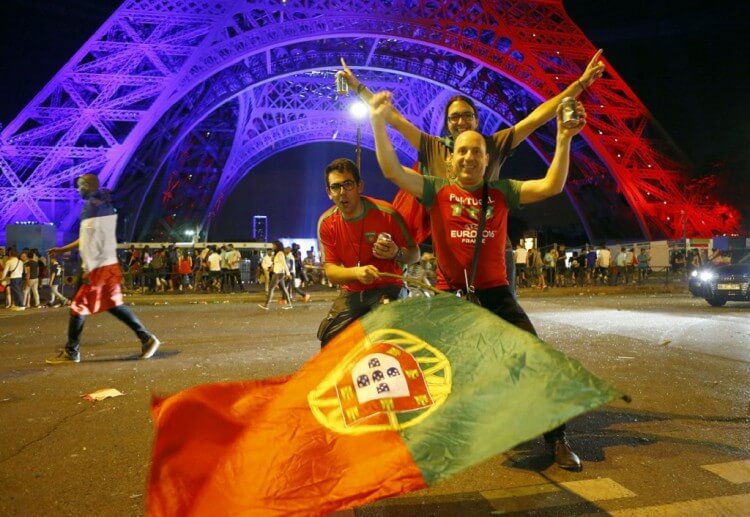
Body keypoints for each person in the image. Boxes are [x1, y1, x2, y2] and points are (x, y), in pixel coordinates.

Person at [370, 90, 586, 471]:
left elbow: (552, 184)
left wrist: (564, 138)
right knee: (432, 370)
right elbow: (391, 170)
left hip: (495, 294)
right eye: (463, 152)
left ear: (488, 161)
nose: (470, 157)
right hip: (449, 298)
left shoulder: (501, 193)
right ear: (449, 160)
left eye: (477, 152)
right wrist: (377, 119)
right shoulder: (435, 190)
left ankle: (557, 439)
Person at [339, 51, 605, 242]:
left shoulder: (493, 144)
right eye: (454, 117)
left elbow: (536, 118)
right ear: (447, 124)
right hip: (450, 242)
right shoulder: (432, 146)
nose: (461, 121)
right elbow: (393, 118)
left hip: (490, 239)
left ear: (477, 120)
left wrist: (579, 85)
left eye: (467, 115)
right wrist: (359, 89)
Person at [45, 174, 160, 364]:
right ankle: (147, 339)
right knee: (113, 304)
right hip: (107, 264)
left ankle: (72, 352)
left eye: (80, 185)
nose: (78, 189)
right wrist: (63, 249)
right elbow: (90, 237)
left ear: (89, 186)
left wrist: (89, 269)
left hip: (97, 266)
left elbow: (94, 241)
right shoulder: (101, 205)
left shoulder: (92, 206)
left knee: (77, 308)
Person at [316, 158, 420, 347]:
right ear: (329, 193)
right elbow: (331, 272)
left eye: (348, 185)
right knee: (329, 341)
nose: (342, 193)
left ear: (359, 186)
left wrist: (396, 253)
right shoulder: (326, 223)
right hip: (353, 292)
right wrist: (356, 273)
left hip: (389, 286)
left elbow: (415, 254)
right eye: (335, 187)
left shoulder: (387, 213)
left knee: (386, 336)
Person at [258, 240, 294, 310]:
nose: (272, 246)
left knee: (271, 289)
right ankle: (290, 304)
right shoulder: (277, 253)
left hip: (278, 274)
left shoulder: (280, 253)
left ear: (277, 246)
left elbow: (284, 264)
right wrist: (272, 268)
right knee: (284, 289)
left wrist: (288, 273)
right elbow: (278, 264)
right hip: (279, 273)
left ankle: (266, 305)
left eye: (273, 245)